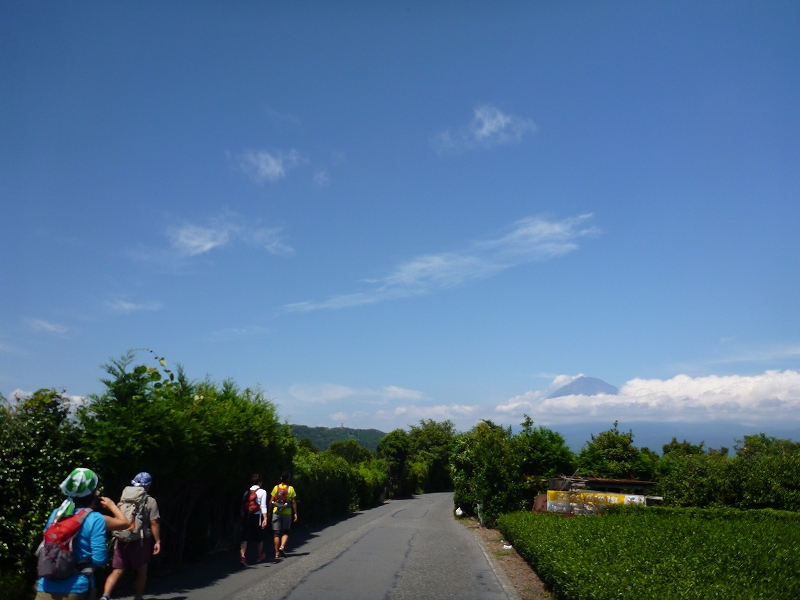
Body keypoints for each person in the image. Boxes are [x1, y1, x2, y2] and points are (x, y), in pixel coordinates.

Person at [36, 468, 120, 600]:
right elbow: (99, 559)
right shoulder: (95, 518)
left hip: (45, 587)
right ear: (93, 492)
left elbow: (47, 545)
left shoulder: (56, 514)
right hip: (76, 589)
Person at [101, 472, 161, 600]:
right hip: (139, 540)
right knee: (141, 570)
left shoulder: (124, 498)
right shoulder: (150, 501)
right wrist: (157, 541)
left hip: (121, 538)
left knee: (117, 570)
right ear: (148, 485)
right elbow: (154, 522)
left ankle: (105, 596)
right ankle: (138, 597)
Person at [239, 473, 268, 566]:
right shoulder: (262, 492)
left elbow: (243, 506)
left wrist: (242, 516)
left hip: (247, 516)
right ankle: (259, 556)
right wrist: (265, 518)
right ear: (260, 482)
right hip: (257, 516)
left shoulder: (246, 492)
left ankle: (243, 557)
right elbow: (263, 506)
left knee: (244, 537)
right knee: (259, 537)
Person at [270, 471, 298, 559]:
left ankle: (276, 553)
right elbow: (293, 502)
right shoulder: (291, 489)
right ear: (288, 479)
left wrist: (269, 512)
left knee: (276, 533)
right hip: (287, 512)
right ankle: (282, 547)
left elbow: (271, 501)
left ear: (281, 478)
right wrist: (295, 513)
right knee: (286, 531)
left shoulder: (276, 488)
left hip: (276, 511)